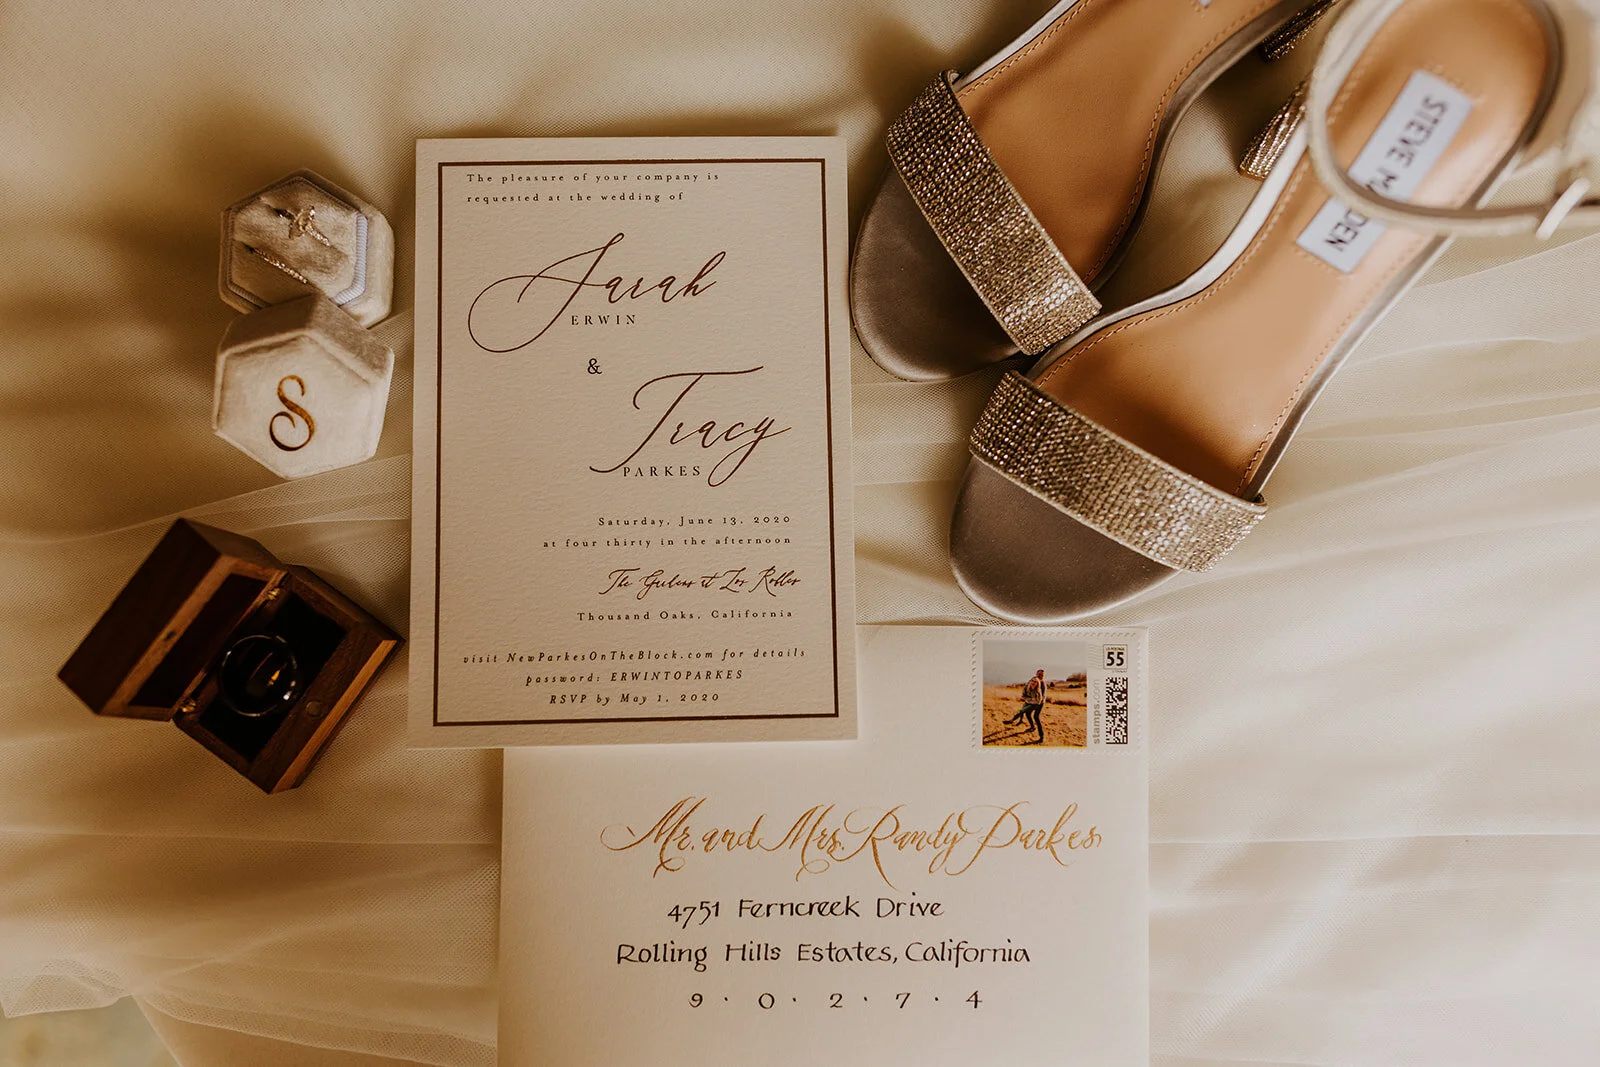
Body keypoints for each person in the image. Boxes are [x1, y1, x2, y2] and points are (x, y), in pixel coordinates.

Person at [1005, 669, 1047, 744]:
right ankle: (1032, 727)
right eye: (1039, 674)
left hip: (1039, 703)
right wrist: (1029, 699)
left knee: (1036, 717)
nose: (1040, 676)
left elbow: (1042, 696)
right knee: (1027, 714)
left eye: (1042, 675)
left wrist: (1034, 701)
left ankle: (1042, 736)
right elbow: (1027, 691)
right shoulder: (1032, 680)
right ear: (1036, 674)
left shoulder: (1042, 684)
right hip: (1031, 702)